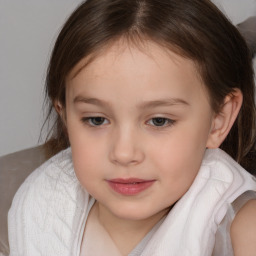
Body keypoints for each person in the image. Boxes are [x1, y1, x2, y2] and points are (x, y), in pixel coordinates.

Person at [8, 0, 256, 255]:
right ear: (66, 116)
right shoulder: (43, 204)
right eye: (96, 119)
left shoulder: (244, 231)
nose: (124, 153)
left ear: (219, 119)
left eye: (159, 121)